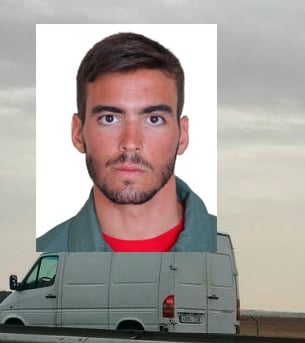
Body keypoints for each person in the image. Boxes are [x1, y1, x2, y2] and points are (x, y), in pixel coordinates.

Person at [36, 32, 216, 253]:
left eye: (154, 119)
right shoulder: (41, 258)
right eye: (109, 118)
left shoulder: (232, 248)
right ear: (78, 133)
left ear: (183, 135)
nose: (130, 143)